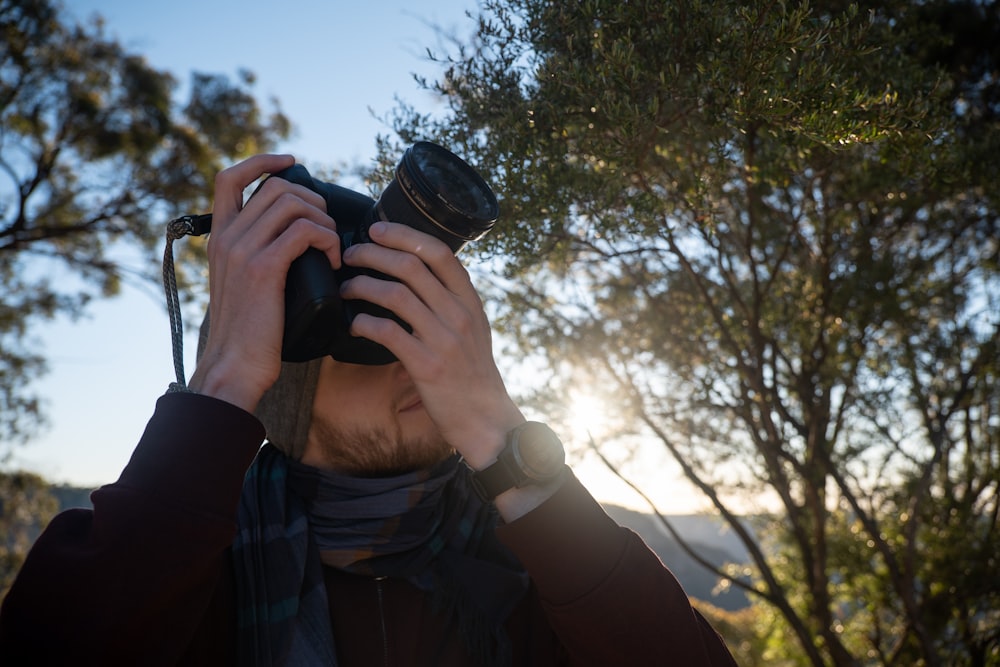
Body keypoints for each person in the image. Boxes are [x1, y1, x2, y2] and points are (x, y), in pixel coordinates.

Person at [0, 154, 737, 666]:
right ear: (277, 383)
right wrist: (220, 381)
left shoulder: (543, 569)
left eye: (426, 321)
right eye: (373, 334)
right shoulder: (182, 575)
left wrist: (504, 437)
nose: (418, 357)